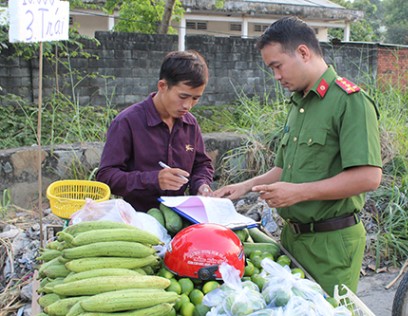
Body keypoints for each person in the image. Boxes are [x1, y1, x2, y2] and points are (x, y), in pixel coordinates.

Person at [214, 16, 382, 295]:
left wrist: (299, 193)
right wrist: (244, 188)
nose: (276, 76)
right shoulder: (299, 103)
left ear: (303, 52)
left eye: (277, 66)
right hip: (294, 237)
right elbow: (285, 169)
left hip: (331, 244)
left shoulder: (350, 101)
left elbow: (368, 177)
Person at [97, 50, 214, 212]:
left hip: (180, 214)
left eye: (195, 98)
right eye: (182, 96)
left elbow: (202, 164)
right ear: (162, 86)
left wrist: (202, 185)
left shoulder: (190, 124)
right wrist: (153, 179)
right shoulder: (127, 122)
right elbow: (106, 176)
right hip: (137, 217)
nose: (188, 105)